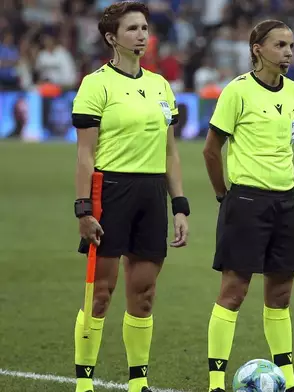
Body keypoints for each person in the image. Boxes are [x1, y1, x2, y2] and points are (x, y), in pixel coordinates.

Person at [71, 2, 190, 392]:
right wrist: (83, 208)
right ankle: (84, 383)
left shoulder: (160, 85)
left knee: (144, 293)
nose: (142, 34)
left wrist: (180, 205)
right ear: (112, 37)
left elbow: (171, 152)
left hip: (152, 192)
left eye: (144, 28)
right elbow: (85, 154)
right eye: (133, 28)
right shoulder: (96, 84)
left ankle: (138, 383)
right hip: (111, 191)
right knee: (101, 294)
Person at [202, 19, 294, 392]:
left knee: (280, 294)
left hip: (286, 201)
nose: (288, 53)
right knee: (234, 291)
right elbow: (211, 150)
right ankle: (216, 382)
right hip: (246, 200)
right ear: (257, 49)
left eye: (291, 46)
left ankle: (289, 380)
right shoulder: (237, 92)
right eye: (279, 45)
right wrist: (223, 195)